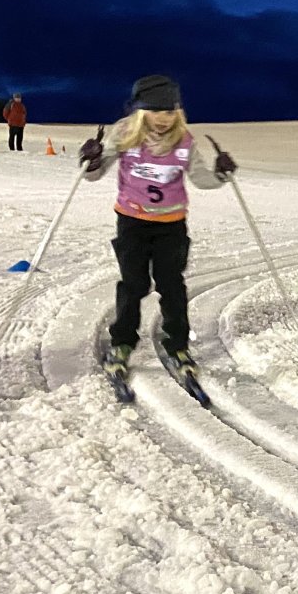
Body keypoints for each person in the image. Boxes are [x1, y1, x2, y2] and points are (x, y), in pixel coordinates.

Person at [79, 75, 235, 388]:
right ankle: (122, 342)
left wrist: (221, 174)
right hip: (132, 222)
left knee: (171, 284)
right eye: (155, 111)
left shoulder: (184, 141)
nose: (163, 119)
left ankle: (177, 345)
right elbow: (93, 175)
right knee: (133, 284)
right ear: (140, 111)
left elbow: (202, 180)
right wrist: (91, 159)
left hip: (171, 225)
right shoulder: (124, 133)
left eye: (169, 112)